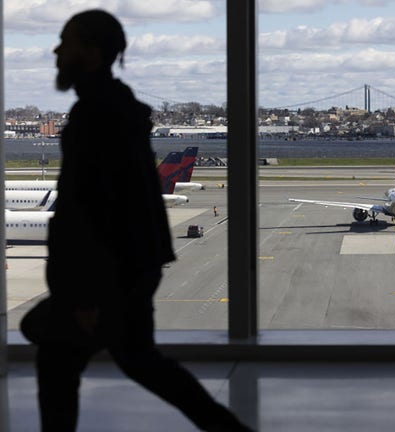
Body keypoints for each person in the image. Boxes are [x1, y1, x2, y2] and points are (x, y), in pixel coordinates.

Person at [20, 10, 253, 431]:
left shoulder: (97, 116)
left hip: (107, 273)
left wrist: (86, 293)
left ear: (90, 52)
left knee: (60, 360)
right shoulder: (115, 108)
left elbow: (94, 207)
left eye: (65, 41)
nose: (56, 50)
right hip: (130, 265)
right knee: (137, 361)